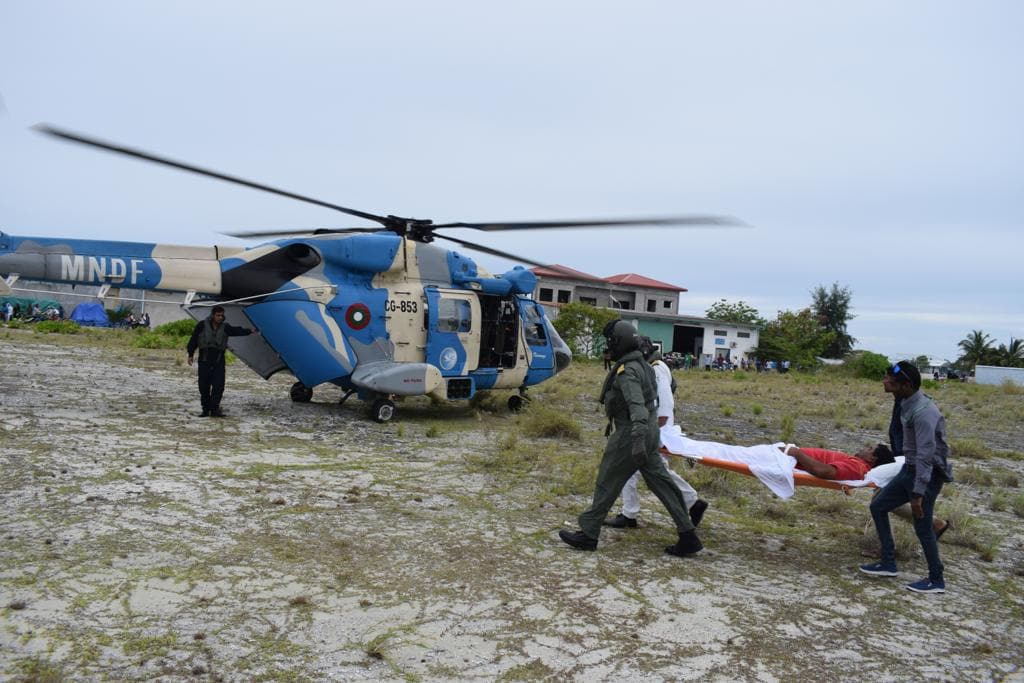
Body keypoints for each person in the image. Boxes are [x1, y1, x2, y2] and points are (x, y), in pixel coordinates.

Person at [559, 321, 703, 557]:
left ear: (620, 342)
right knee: (663, 484)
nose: (609, 346)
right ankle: (688, 534)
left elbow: (637, 406)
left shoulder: (628, 372)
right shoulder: (644, 365)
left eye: (611, 342)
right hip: (649, 433)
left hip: (631, 433)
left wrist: (636, 439)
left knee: (607, 481)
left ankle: (589, 533)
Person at [861, 361, 953, 594]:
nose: (884, 381)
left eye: (889, 380)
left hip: (927, 474)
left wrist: (918, 494)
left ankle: (936, 579)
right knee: (879, 506)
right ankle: (888, 563)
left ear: (906, 385)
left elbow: (926, 455)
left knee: (923, 526)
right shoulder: (906, 402)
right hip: (909, 468)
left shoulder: (924, 413)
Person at [604, 336, 709, 530]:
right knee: (643, 470)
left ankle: (689, 502)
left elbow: (665, 401)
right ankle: (632, 513)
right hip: (652, 425)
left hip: (656, 427)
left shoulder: (656, 367)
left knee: (649, 469)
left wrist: (658, 429)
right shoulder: (651, 366)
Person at [186, 306, 254, 417]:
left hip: (218, 360)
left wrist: (250, 331)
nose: (220, 317)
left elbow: (236, 331)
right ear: (213, 315)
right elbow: (194, 339)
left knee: (218, 386)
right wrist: (190, 354)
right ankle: (205, 410)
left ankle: (214, 410)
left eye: (222, 315)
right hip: (204, 359)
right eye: (218, 315)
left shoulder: (225, 327)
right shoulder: (202, 325)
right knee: (203, 386)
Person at [780, 443, 894, 480]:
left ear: (872, 459)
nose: (865, 447)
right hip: (789, 455)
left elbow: (823, 471)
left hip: (787, 459)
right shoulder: (857, 463)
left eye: (869, 448)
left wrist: (797, 453)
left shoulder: (857, 467)